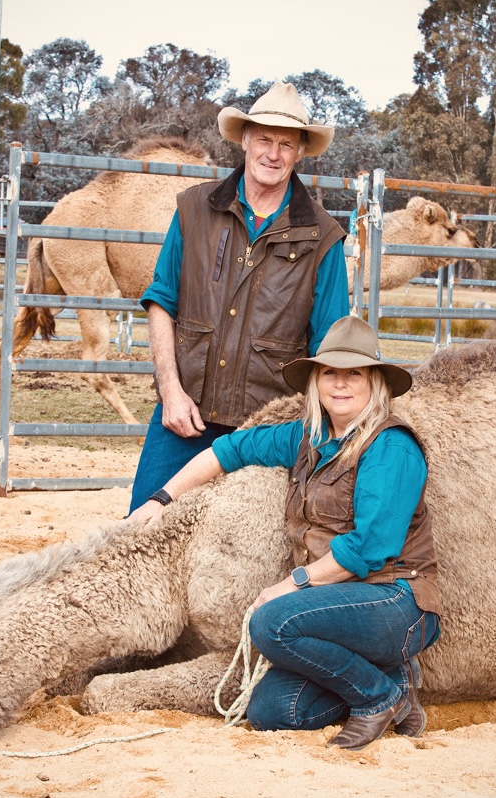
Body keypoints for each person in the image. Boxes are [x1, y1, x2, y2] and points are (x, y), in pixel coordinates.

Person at [128, 316, 441, 751]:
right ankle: (393, 679)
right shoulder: (307, 438)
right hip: (338, 605)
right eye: (330, 372)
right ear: (316, 381)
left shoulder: (391, 447)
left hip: (396, 600)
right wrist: (161, 499)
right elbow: (228, 451)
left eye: (355, 374)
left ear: (375, 384)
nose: (341, 384)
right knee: (274, 712)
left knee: (271, 621)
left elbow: (369, 548)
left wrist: (291, 585)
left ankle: (378, 697)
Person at [128, 81, 351, 513]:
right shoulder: (193, 209)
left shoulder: (323, 237)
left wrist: (318, 429)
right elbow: (161, 302)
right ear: (245, 140)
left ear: (300, 152)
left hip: (266, 427)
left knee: (248, 553)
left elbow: (331, 344)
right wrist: (170, 392)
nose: (273, 153)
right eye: (264, 139)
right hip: (184, 413)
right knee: (143, 525)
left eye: (286, 144)